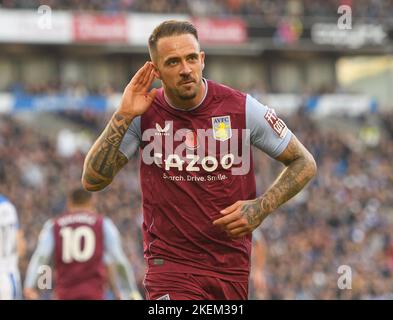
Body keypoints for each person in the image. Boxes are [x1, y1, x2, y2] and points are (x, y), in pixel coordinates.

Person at [82, 20, 317, 300]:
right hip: (169, 267)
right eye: (172, 62)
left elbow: (304, 162)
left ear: (202, 59)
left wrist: (262, 207)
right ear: (155, 70)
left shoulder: (241, 108)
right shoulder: (143, 113)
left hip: (230, 269)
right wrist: (122, 115)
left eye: (191, 58)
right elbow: (93, 180)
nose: (185, 69)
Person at [23, 188, 142, 300]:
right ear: (92, 202)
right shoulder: (103, 224)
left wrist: (32, 285)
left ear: (69, 202)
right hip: (94, 294)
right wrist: (129, 292)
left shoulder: (54, 225)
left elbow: (42, 258)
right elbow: (118, 260)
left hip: (65, 294)